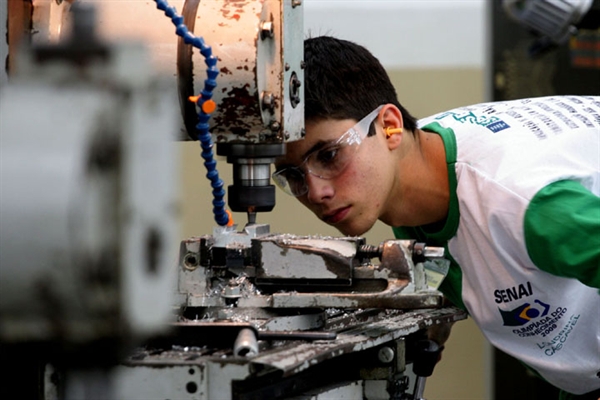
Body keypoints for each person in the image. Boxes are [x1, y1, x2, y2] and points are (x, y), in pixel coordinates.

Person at [272, 35, 600, 400]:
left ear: (389, 126)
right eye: (293, 176)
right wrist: (439, 306)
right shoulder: (411, 175)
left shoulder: (524, 203)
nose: (316, 193)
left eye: (329, 156)